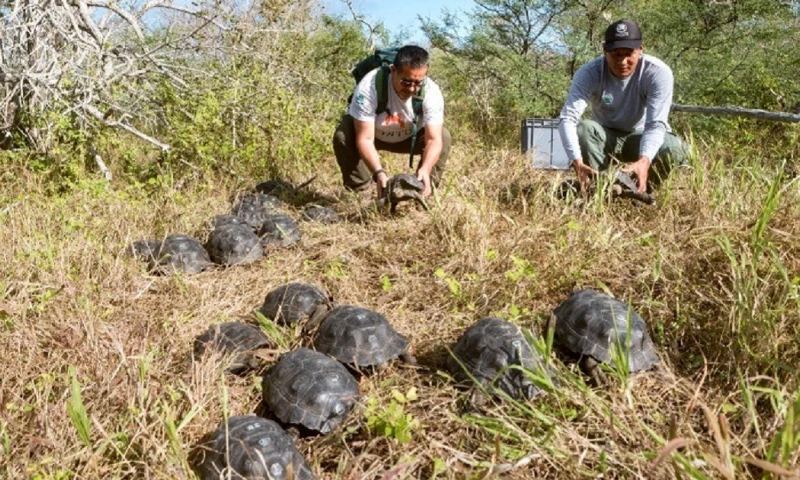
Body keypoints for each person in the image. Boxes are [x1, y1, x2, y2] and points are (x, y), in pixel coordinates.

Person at [558, 19, 688, 194]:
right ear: (605, 51)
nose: (622, 61)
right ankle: (600, 189)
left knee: (672, 146)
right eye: (616, 55)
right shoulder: (589, 72)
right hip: (605, 137)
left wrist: (645, 160)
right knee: (583, 129)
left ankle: (643, 190)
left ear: (640, 50)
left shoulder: (657, 72)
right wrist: (576, 161)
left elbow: (656, 124)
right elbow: (568, 118)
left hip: (640, 136)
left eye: (629, 54)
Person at [333, 45, 451, 199]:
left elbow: (433, 139)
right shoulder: (369, 87)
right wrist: (378, 172)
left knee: (443, 136)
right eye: (406, 82)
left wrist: (426, 168)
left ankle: (425, 192)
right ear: (393, 70)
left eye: (418, 83)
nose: (412, 89)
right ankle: (360, 193)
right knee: (344, 135)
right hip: (374, 136)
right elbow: (365, 139)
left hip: (410, 138)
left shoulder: (431, 92)